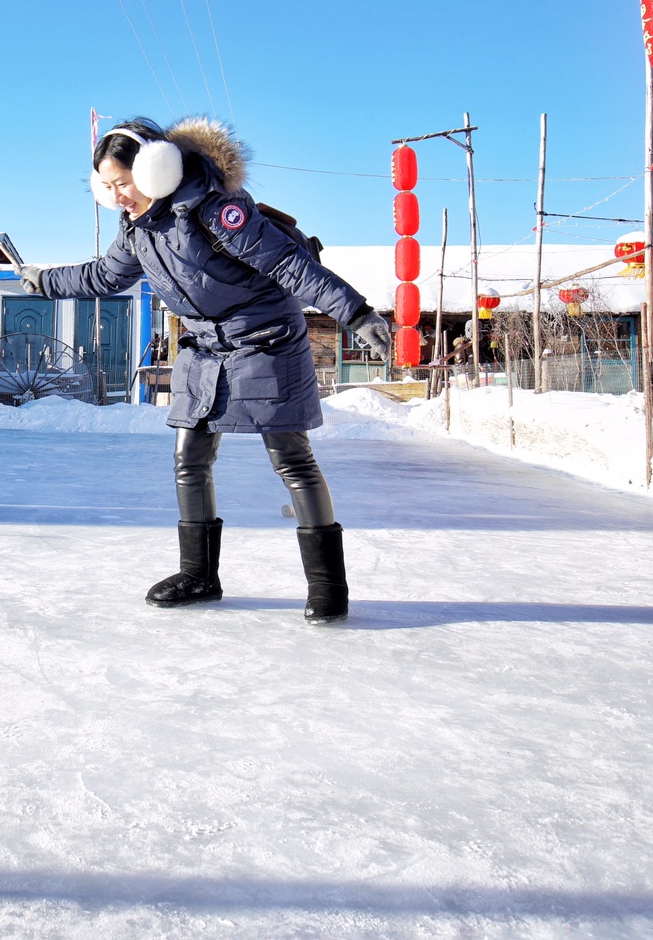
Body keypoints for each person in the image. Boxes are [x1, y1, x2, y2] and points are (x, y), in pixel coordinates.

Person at [24, 117, 391, 623]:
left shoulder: (215, 210)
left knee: (291, 458)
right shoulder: (137, 230)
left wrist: (354, 311)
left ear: (156, 169)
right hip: (205, 349)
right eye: (105, 187)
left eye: (123, 183)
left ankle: (328, 586)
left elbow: (289, 264)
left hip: (266, 340)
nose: (116, 197)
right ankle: (199, 575)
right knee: (189, 456)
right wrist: (43, 280)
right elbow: (103, 276)